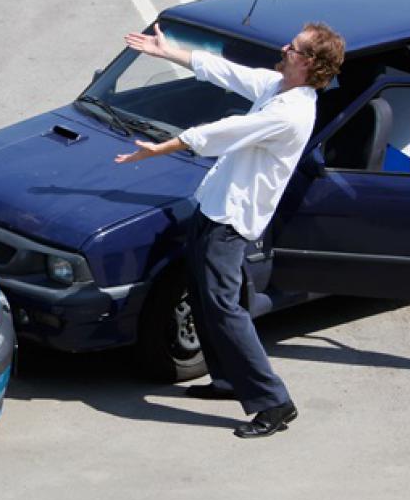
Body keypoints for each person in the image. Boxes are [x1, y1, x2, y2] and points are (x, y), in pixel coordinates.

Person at [115, 22, 345, 438]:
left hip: (231, 221)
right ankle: (226, 381)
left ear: (308, 62)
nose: (283, 47)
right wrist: (167, 52)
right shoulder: (278, 87)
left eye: (292, 47)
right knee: (209, 298)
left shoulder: (290, 112)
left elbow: (225, 132)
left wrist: (163, 147)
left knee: (224, 308)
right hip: (214, 207)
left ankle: (274, 403)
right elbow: (224, 70)